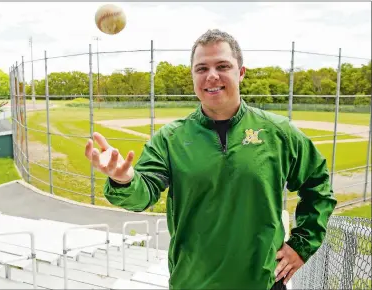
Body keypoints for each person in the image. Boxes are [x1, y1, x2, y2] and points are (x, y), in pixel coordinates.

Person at [85, 29, 337, 290]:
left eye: (223, 66)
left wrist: (301, 245)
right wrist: (124, 180)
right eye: (201, 68)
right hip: (192, 283)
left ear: (241, 73)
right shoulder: (171, 139)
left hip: (262, 282)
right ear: (193, 77)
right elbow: (142, 195)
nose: (212, 76)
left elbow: (318, 187)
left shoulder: (279, 132)